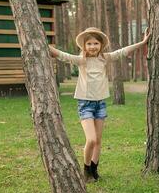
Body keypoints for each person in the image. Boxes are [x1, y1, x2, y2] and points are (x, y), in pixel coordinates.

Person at [49, 27, 150, 182]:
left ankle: (94, 170)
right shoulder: (81, 60)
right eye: (89, 43)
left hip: (100, 104)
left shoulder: (104, 58)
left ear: (101, 45)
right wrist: (47, 47)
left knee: (98, 141)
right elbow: (63, 55)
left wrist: (143, 43)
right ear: (84, 46)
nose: (93, 46)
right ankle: (86, 170)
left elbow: (123, 51)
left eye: (96, 43)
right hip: (85, 104)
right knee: (91, 140)